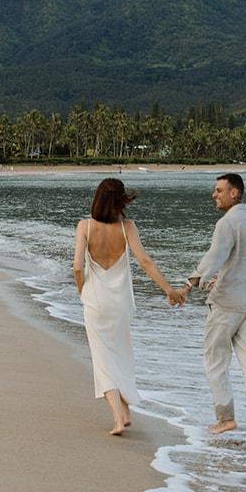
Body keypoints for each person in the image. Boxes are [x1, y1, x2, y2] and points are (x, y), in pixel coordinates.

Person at [73, 177, 184, 436]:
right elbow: (145, 261)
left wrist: (82, 290)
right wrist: (169, 290)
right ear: (121, 201)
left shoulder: (85, 227)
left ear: (97, 199)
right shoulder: (128, 227)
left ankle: (118, 419)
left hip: (95, 301)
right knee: (121, 356)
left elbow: (78, 267)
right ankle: (125, 411)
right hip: (121, 302)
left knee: (102, 360)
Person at [180, 172, 246, 454]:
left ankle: (225, 419)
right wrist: (220, 277)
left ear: (235, 193)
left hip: (228, 305)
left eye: (219, 190)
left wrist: (189, 284)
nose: (214, 194)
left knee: (215, 360)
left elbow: (214, 257)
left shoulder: (227, 223)